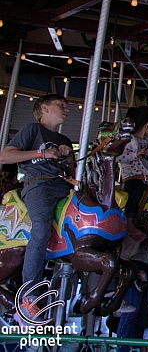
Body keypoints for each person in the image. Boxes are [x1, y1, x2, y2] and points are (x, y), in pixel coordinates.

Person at [0, 94, 75, 319]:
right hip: (38, 185)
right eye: (61, 105)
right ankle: (29, 294)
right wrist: (42, 153)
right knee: (41, 229)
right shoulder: (32, 130)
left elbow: (71, 172)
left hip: (62, 187)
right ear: (44, 108)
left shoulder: (65, 139)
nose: (66, 110)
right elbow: (5, 156)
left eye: (66, 106)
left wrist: (68, 156)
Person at [116, 106, 148, 240]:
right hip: (133, 178)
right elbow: (117, 156)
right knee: (136, 191)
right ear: (147, 126)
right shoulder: (128, 141)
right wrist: (135, 154)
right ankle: (129, 223)